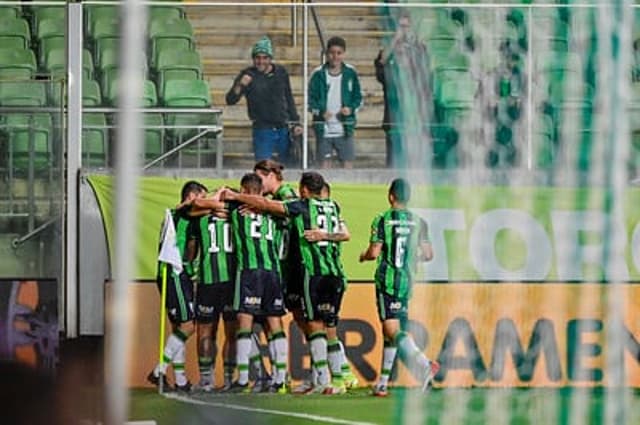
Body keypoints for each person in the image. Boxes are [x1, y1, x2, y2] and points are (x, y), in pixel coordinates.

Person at [221, 171, 349, 394]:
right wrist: (325, 236)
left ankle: (323, 380)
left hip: (313, 272)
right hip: (336, 273)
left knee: (315, 325)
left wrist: (237, 197)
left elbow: (269, 206)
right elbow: (345, 234)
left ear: (305, 190)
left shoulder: (301, 205)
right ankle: (336, 379)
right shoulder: (334, 206)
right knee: (329, 326)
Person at [359, 178, 439, 397]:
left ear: (391, 196)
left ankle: (424, 365)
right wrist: (411, 258)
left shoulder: (382, 219)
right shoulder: (419, 221)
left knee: (392, 330)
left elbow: (374, 252)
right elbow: (429, 254)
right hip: (407, 281)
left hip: (388, 280)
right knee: (391, 332)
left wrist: (363, 256)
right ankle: (383, 383)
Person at [227, 173, 289, 393]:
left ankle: (243, 380)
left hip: (250, 272)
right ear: (262, 191)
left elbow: (217, 199)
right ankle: (280, 379)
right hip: (273, 271)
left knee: (244, 322)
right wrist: (264, 206)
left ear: (243, 190)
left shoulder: (235, 209)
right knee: (275, 324)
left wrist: (236, 197)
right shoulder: (273, 212)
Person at [147, 180, 207, 393]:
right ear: (192, 196)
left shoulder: (172, 214)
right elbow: (190, 245)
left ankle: (181, 380)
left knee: (178, 327)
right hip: (175, 273)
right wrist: (191, 268)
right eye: (202, 197)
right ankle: (159, 370)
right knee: (189, 325)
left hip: (166, 273)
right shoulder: (185, 214)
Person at [226, 36, 303, 164]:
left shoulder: (281, 72)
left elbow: (288, 97)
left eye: (265, 58)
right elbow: (230, 99)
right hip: (262, 128)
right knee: (262, 167)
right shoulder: (247, 74)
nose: (261, 61)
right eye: (257, 58)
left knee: (288, 165)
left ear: (270, 58)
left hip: (282, 127)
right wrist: (240, 85)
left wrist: (295, 122)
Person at [191, 192, 237, 392]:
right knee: (232, 333)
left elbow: (192, 247)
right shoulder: (238, 215)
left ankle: (206, 380)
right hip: (231, 282)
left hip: (208, 282)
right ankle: (228, 380)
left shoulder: (199, 216)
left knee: (205, 332)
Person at [374, 14, 431, 169]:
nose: (403, 31)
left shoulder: (418, 49)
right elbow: (380, 65)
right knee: (393, 156)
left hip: (413, 114)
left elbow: (425, 74)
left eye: (406, 27)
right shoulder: (388, 50)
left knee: (414, 153)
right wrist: (394, 42)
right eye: (401, 26)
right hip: (393, 114)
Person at [309, 36, 363, 169]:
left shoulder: (351, 73)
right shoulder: (318, 74)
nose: (335, 56)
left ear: (343, 54)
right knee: (324, 166)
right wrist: (320, 112)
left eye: (339, 53)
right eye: (332, 53)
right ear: (327, 53)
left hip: (345, 128)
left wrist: (350, 109)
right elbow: (310, 101)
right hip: (324, 129)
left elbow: (358, 98)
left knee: (347, 164)